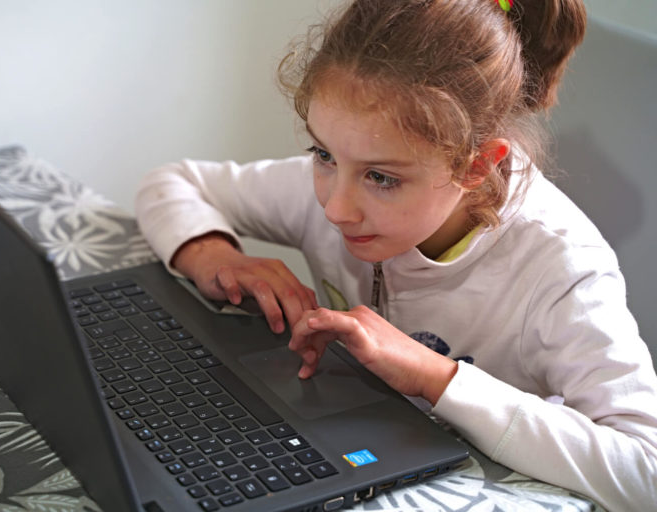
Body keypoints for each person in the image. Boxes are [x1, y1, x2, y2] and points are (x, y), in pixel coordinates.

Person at [135, 0, 657, 509]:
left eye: (381, 178)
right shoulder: (344, 180)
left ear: (476, 167)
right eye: (322, 154)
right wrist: (212, 255)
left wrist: (436, 377)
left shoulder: (561, 268)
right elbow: (173, 183)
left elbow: (645, 471)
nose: (335, 208)